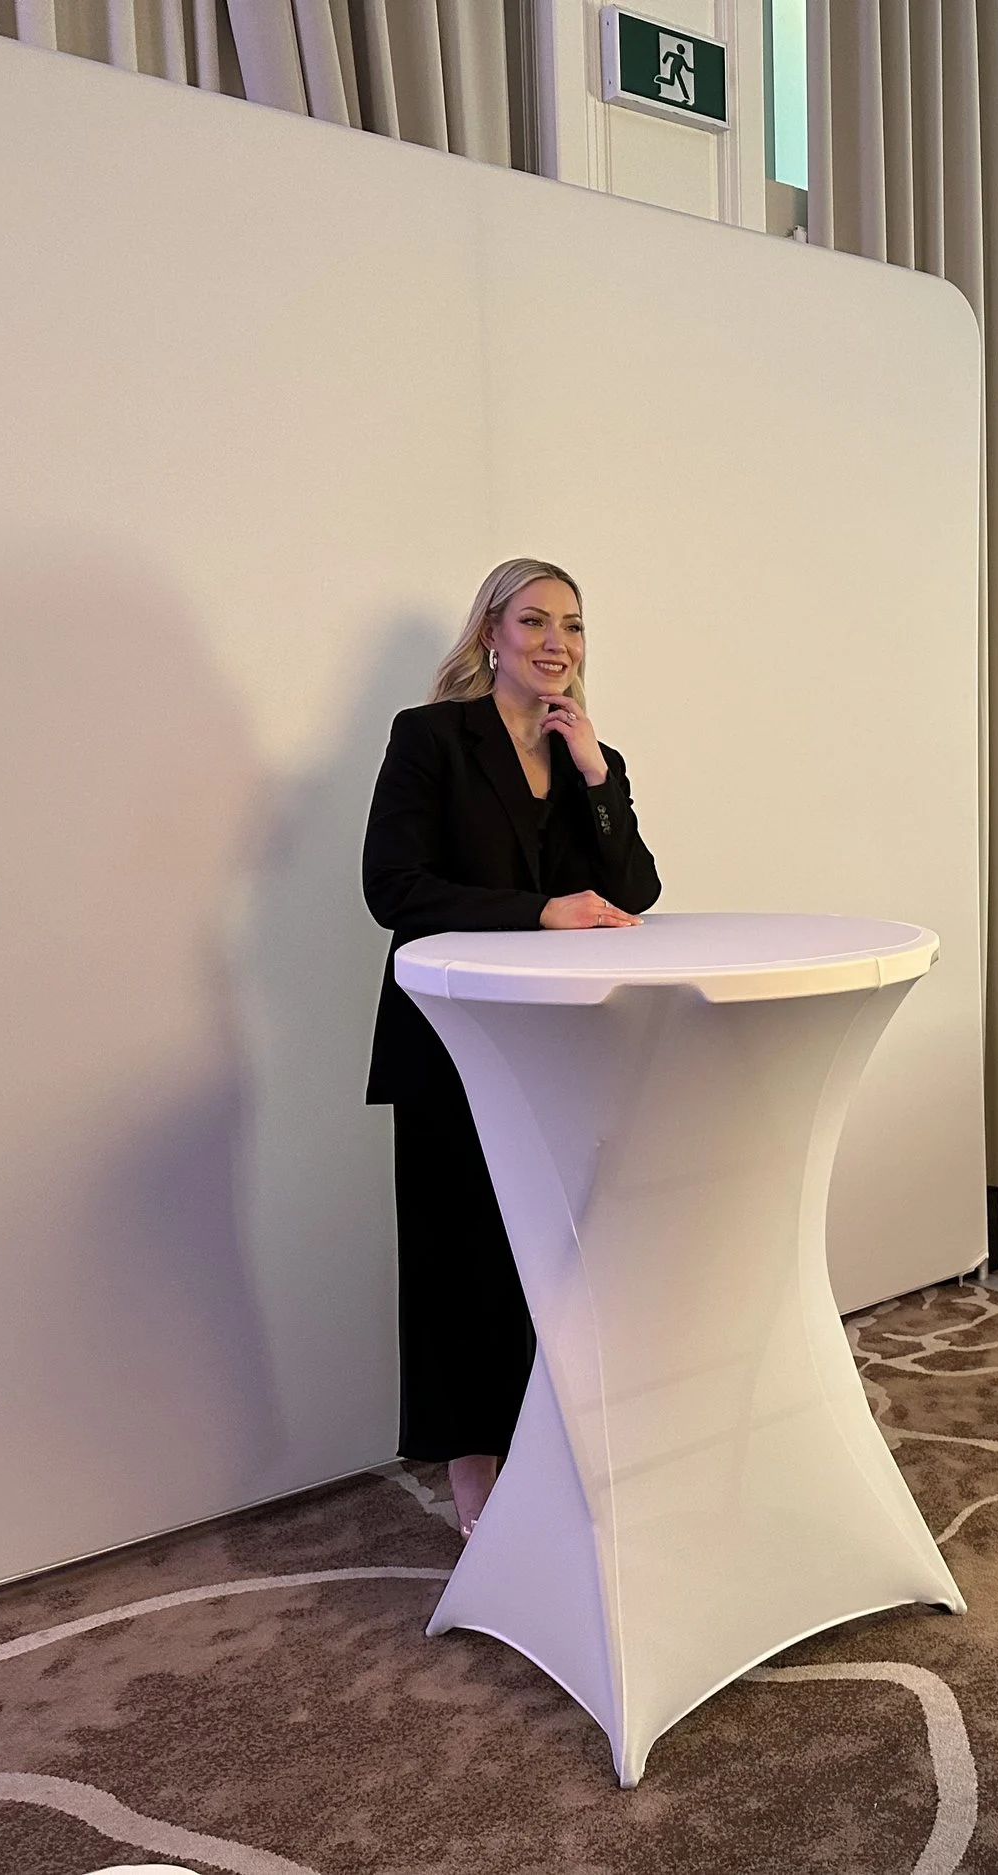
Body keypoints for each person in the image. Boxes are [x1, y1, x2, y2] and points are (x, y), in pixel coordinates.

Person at [362, 558, 661, 1536]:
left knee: (554, 1255)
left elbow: (634, 891)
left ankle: (551, 1451)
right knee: (458, 1259)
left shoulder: (587, 756)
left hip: (556, 1048)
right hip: (452, 1041)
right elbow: (393, 889)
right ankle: (473, 1478)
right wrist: (539, 910)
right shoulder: (431, 739)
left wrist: (597, 775)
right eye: (533, 620)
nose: (555, 643)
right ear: (489, 633)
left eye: (571, 625)